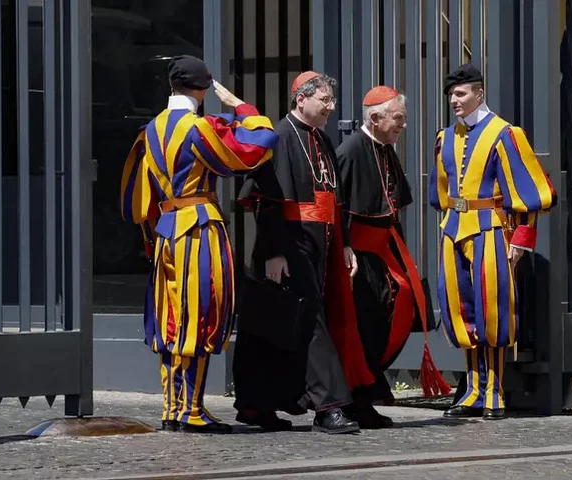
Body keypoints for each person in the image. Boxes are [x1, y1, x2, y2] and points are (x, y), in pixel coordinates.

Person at [120, 55, 278, 434]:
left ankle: (174, 409)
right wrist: (242, 107)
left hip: (165, 231)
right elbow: (254, 148)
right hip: (198, 231)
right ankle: (190, 410)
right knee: (200, 316)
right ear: (204, 90)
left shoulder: (151, 129)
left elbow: (135, 198)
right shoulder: (198, 127)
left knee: (171, 321)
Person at [232, 71, 362, 434]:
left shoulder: (321, 138)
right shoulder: (280, 136)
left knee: (276, 327)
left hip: (320, 242)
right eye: (325, 100)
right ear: (301, 99)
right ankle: (329, 407)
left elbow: (336, 200)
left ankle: (257, 405)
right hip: (287, 244)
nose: (331, 108)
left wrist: (346, 243)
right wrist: (275, 251)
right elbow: (268, 200)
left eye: (332, 101)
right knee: (305, 322)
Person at [429, 64, 556, 420]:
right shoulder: (444, 137)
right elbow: (440, 192)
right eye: (451, 95)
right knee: (461, 307)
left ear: (479, 94)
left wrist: (522, 238)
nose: (454, 100)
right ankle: (471, 389)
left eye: (461, 94)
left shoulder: (505, 134)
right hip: (454, 228)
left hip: (492, 229)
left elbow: (530, 191)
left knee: (493, 308)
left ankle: (495, 391)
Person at [335, 86, 450, 428]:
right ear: (376, 117)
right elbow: (340, 210)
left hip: (383, 252)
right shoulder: (351, 151)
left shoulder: (385, 149)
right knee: (366, 328)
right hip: (359, 258)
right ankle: (355, 400)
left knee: (395, 319)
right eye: (398, 118)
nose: (403, 125)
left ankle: (366, 397)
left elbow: (392, 203)